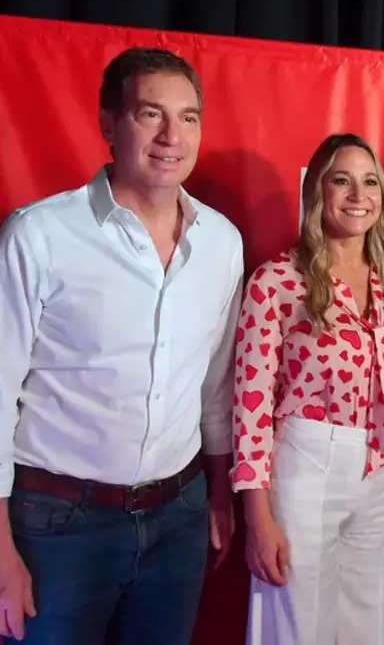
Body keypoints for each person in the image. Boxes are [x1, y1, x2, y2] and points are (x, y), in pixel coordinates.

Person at [0, 47, 241, 644]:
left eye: (187, 117)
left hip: (178, 518)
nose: (171, 136)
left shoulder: (222, 242)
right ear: (109, 124)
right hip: (57, 524)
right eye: (150, 114)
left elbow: (215, 386)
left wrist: (217, 493)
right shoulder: (40, 235)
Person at [231, 134, 384, 644]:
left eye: (369, 182)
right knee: (294, 623)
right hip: (306, 463)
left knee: (374, 624)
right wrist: (257, 515)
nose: (358, 195)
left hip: (382, 470)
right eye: (342, 180)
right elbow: (250, 404)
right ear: (318, 190)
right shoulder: (276, 281)